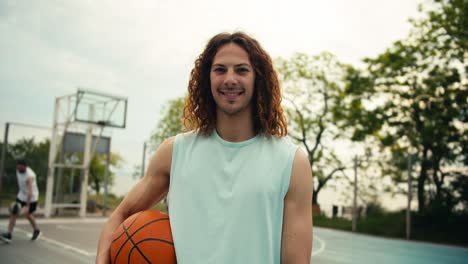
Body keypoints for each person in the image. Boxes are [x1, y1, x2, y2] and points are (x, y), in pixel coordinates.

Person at [96, 31, 313, 263]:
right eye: (220, 69)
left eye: (241, 70)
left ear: (257, 78)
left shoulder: (291, 162)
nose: (230, 79)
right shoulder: (174, 152)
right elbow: (121, 214)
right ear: (207, 78)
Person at [1, 160, 41, 243]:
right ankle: (9, 234)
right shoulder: (18, 170)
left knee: (27, 214)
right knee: (14, 212)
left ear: (25, 167)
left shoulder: (30, 176)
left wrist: (27, 206)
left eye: (20, 167)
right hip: (21, 195)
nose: (18, 168)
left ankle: (36, 230)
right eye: (17, 167)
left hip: (32, 198)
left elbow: (30, 192)